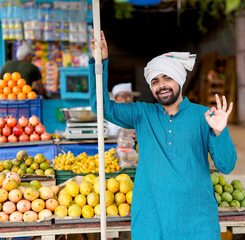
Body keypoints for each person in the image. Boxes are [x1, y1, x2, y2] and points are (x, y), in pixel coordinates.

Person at [89, 31, 237, 239]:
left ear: (179, 80)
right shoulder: (142, 114)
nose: (161, 86)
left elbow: (226, 165)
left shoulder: (205, 116)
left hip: (196, 219)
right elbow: (101, 107)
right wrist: (100, 63)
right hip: (152, 218)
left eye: (167, 78)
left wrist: (220, 132)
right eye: (155, 81)